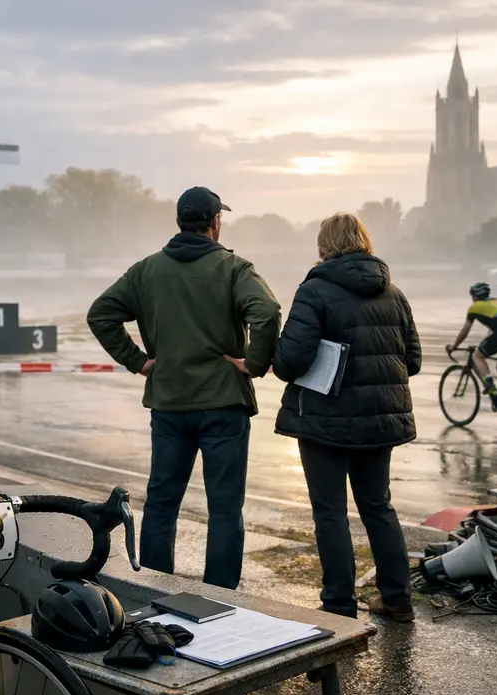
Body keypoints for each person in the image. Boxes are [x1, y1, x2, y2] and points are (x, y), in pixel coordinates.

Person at [86, 186, 281, 590]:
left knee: (161, 503)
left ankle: (154, 591)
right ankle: (220, 595)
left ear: (179, 220)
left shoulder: (146, 270)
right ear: (215, 222)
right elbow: (266, 311)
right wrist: (254, 364)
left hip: (170, 405)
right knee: (224, 508)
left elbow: (100, 314)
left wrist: (139, 361)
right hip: (224, 404)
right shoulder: (235, 269)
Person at [263, 212, 420, 623]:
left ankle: (338, 605)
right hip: (380, 421)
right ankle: (398, 599)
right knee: (378, 507)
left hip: (324, 422)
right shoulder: (394, 294)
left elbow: (290, 361)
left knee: (330, 513)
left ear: (324, 246)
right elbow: (413, 360)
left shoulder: (314, 291)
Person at [447, 282, 497, 410]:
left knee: (477, 356)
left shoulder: (474, 307)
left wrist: (454, 346)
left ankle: (490, 384)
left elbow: (465, 331)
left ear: (474, 297)